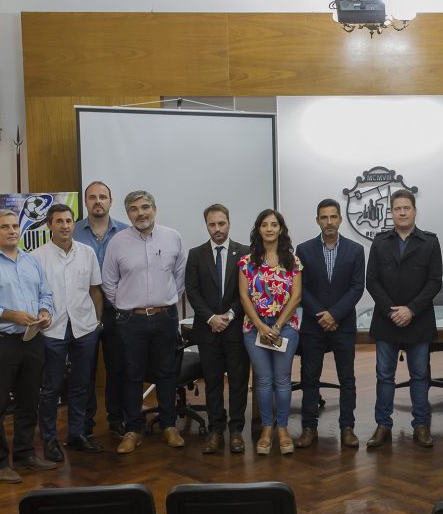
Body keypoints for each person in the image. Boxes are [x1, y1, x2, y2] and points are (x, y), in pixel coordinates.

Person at [0, 209, 56, 483]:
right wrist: (9, 314)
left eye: (15, 225)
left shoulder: (31, 261)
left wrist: (45, 310)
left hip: (31, 339)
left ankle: (25, 454)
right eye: (4, 226)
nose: (12, 230)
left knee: (29, 402)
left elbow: (46, 293)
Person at [102, 190, 187, 454]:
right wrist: (129, 306)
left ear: (155, 209)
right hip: (131, 321)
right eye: (134, 209)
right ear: (127, 214)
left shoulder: (173, 237)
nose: (141, 213)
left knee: (166, 373)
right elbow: (109, 282)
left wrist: (164, 301)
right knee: (131, 375)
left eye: (145, 207)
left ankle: (169, 426)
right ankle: (133, 429)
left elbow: (179, 277)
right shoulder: (117, 242)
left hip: (165, 317)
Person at [365, 189, 443, 448]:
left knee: (420, 375)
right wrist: (391, 310)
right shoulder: (380, 242)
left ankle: (421, 424)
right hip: (386, 321)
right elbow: (372, 281)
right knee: (384, 376)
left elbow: (434, 282)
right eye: (397, 208)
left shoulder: (430, 242)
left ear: (414, 211)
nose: (401, 212)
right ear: (391, 211)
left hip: (418, 320)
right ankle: (383, 425)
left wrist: (410, 310)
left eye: (406, 208)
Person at [34, 204, 104, 462]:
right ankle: (50, 439)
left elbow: (95, 290)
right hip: (52, 330)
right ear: (49, 225)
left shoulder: (87, 253)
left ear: (74, 224)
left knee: (82, 385)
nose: (64, 225)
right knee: (50, 388)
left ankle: (77, 434)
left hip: (85, 328)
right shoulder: (36, 257)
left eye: (68, 221)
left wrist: (97, 322)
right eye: (59, 221)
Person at [295, 199, 365, 450]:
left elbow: (357, 288)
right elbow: (300, 288)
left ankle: (347, 428)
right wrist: (321, 315)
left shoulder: (356, 250)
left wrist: (334, 315)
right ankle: (308, 428)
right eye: (324, 218)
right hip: (313, 326)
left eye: (333, 217)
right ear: (317, 221)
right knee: (309, 378)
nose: (329, 222)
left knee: (347, 378)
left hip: (343, 324)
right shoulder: (303, 250)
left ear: (340, 219)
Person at [185, 204, 250, 454]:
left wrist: (230, 314)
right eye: (212, 224)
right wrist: (211, 317)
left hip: (235, 329)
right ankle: (215, 429)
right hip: (208, 330)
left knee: (238, 381)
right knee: (212, 382)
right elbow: (193, 292)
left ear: (229, 223)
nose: (217, 229)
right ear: (207, 226)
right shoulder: (195, 254)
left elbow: (245, 292)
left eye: (221, 223)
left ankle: (235, 430)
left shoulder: (244, 253)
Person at [238, 209, 302, 456]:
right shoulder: (246, 261)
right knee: (263, 381)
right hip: (254, 328)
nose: (269, 228)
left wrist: (275, 327)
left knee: (282, 380)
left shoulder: (292, 261)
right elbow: (244, 296)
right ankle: (267, 428)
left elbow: (296, 297)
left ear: (281, 229)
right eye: (264, 224)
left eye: (274, 224)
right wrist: (262, 326)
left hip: (285, 327)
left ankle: (283, 429)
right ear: (258, 229)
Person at [73, 181, 128, 437]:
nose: (98, 201)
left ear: (110, 201)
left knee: (117, 369)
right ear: (85, 202)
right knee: (85, 370)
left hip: (118, 312)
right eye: (92, 197)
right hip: (83, 311)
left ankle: (117, 421)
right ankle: (85, 425)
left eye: (103, 197)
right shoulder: (71, 233)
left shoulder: (126, 233)